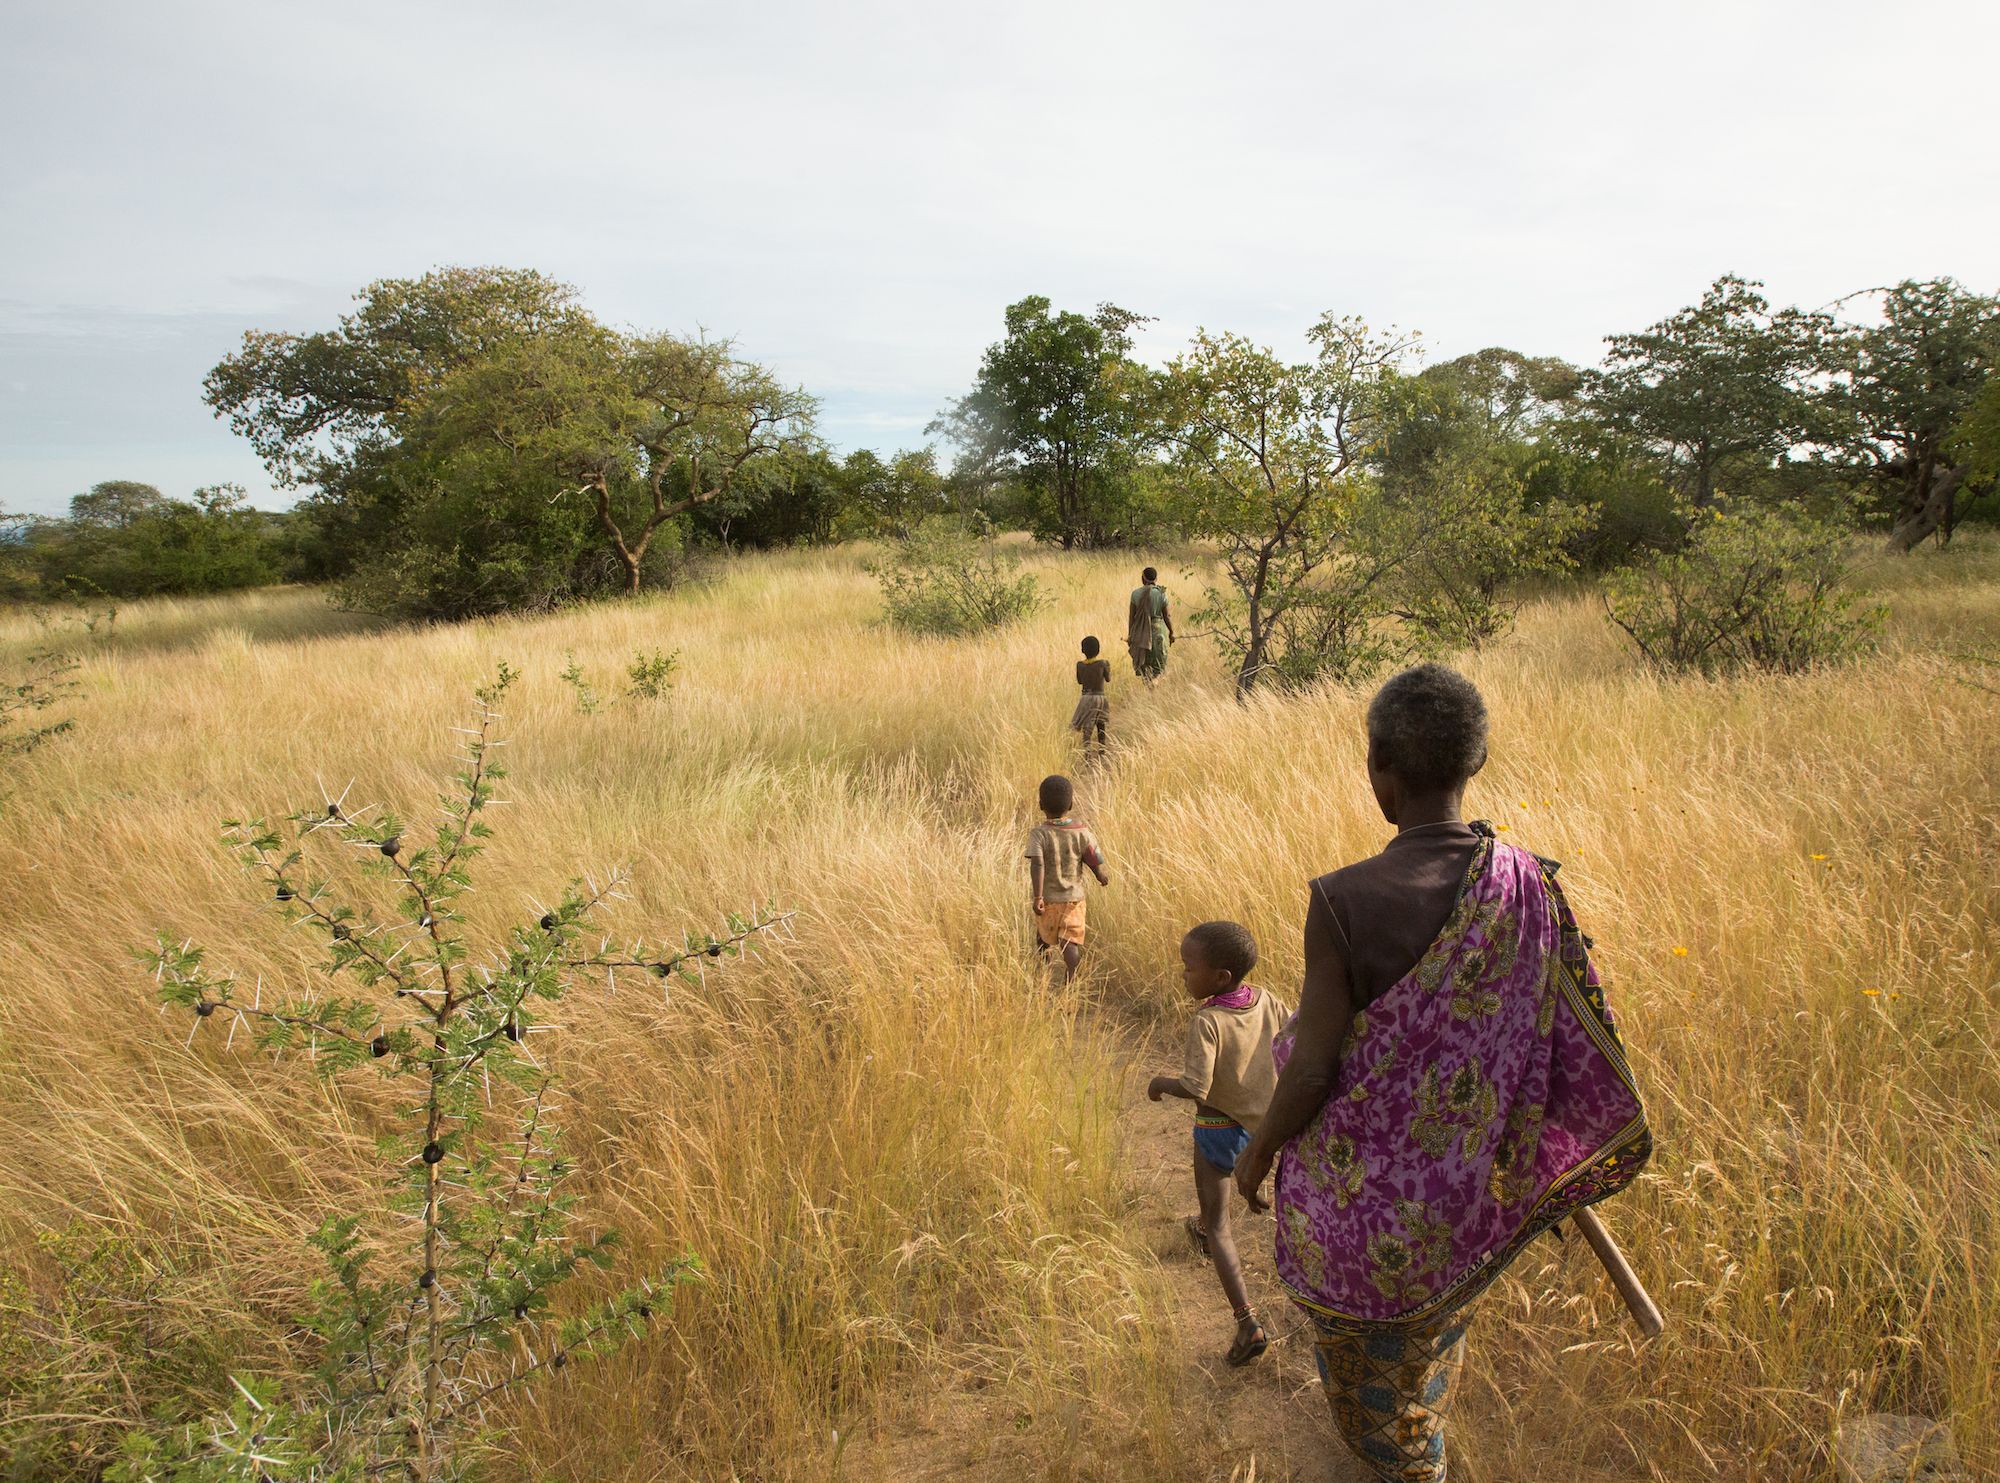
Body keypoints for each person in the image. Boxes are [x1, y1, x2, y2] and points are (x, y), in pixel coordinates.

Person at [1234, 664, 1651, 1482]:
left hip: (1356, 1225)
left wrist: (1256, 1155)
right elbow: (1563, 1035)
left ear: (1378, 769)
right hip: (1460, 1209)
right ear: (1478, 760)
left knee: (1377, 1413)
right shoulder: (1528, 882)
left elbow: (1314, 1068)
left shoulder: (1345, 900)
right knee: (1424, 1364)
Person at [1147, 920, 1290, 1367]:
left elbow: (1196, 1086)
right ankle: (1252, 1189)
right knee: (1224, 1208)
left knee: (1217, 1223)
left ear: (1221, 977)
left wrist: (1161, 1083)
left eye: (1189, 968)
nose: (1184, 975)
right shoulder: (1268, 1000)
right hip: (1264, 1128)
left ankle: (1247, 1323)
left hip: (1217, 1130)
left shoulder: (1208, 1021)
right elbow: (1292, 1042)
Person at [1024, 774, 1110, 981]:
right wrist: (1100, 874)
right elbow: (1092, 857)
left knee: (1043, 937)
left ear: (1040, 805)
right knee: (1069, 942)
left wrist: (1038, 898)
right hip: (1074, 900)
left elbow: (1037, 864)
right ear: (1071, 804)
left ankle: (1042, 974)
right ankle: (1071, 977)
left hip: (1048, 898)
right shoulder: (1081, 831)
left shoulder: (1039, 834)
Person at [1126, 567, 1174, 680]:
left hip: (1141, 634)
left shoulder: (1135, 594)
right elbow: (1166, 616)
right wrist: (1172, 632)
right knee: (1158, 668)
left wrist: (1130, 635)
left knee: (1145, 667)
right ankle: (1154, 688)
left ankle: (1149, 689)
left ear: (1143, 579)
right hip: (1158, 633)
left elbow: (1132, 617)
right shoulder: (1161, 593)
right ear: (1156, 579)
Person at [1071, 635, 1112, 753]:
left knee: (1087, 726)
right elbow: (1108, 679)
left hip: (1086, 698)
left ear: (1082, 650)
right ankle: (1102, 749)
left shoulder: (1080, 665)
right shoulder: (1103, 664)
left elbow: (1080, 681)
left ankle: (1087, 752)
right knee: (1101, 723)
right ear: (1098, 650)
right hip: (1100, 697)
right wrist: (1108, 669)